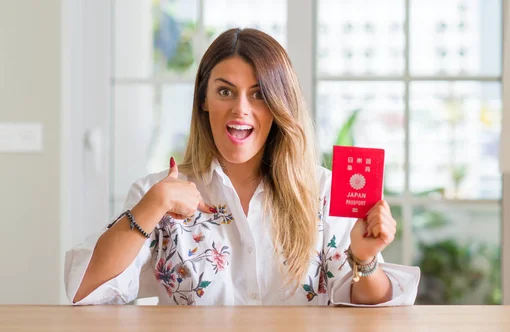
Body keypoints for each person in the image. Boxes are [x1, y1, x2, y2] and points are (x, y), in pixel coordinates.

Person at [64, 28, 420, 306]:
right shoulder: (157, 194)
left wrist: (365, 259)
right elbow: (85, 291)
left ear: (280, 106)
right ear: (204, 100)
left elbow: (371, 308)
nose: (241, 109)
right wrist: (152, 206)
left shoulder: (325, 191)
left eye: (259, 94)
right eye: (225, 92)